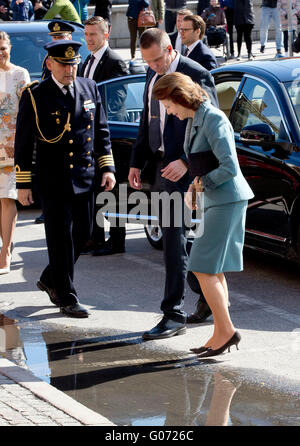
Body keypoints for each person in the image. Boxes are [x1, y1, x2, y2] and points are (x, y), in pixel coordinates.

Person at [153, 71, 254, 357]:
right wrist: (197, 189)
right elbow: (203, 163)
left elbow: (229, 167)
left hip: (227, 200)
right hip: (218, 200)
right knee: (213, 268)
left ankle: (226, 331)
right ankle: (221, 331)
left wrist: (201, 185)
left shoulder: (212, 118)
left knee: (201, 266)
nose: (168, 111)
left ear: (178, 97)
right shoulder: (197, 118)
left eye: (168, 104)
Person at [14, 40, 116, 317]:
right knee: (59, 239)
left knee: (83, 234)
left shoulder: (89, 87)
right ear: (50, 64)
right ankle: (66, 295)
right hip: (53, 178)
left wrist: (107, 168)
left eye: (73, 64)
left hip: (85, 175)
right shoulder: (35, 95)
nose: (70, 70)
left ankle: (50, 278)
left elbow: (101, 131)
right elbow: (23, 143)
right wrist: (23, 184)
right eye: (64, 64)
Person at [128, 28, 218, 340]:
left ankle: (173, 313)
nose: (153, 67)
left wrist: (187, 163)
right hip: (162, 169)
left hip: (188, 173)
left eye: (156, 60)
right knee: (174, 240)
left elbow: (212, 128)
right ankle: (202, 296)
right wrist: (136, 162)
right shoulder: (152, 76)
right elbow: (147, 120)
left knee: (179, 240)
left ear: (170, 49)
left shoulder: (196, 74)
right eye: (147, 62)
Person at [80, 15, 128, 256]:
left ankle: (117, 240)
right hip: (88, 135)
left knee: (113, 189)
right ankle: (96, 237)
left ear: (106, 34)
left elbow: (117, 101)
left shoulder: (114, 62)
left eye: (93, 35)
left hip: (110, 134)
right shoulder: (86, 61)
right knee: (95, 188)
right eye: (86, 34)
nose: (88, 39)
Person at [0, 31, 30, 275]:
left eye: (3, 47)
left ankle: (6, 252)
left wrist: (16, 140)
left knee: (7, 198)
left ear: (10, 48)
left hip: (12, 146)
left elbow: (26, 113)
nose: (0, 52)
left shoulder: (20, 74)